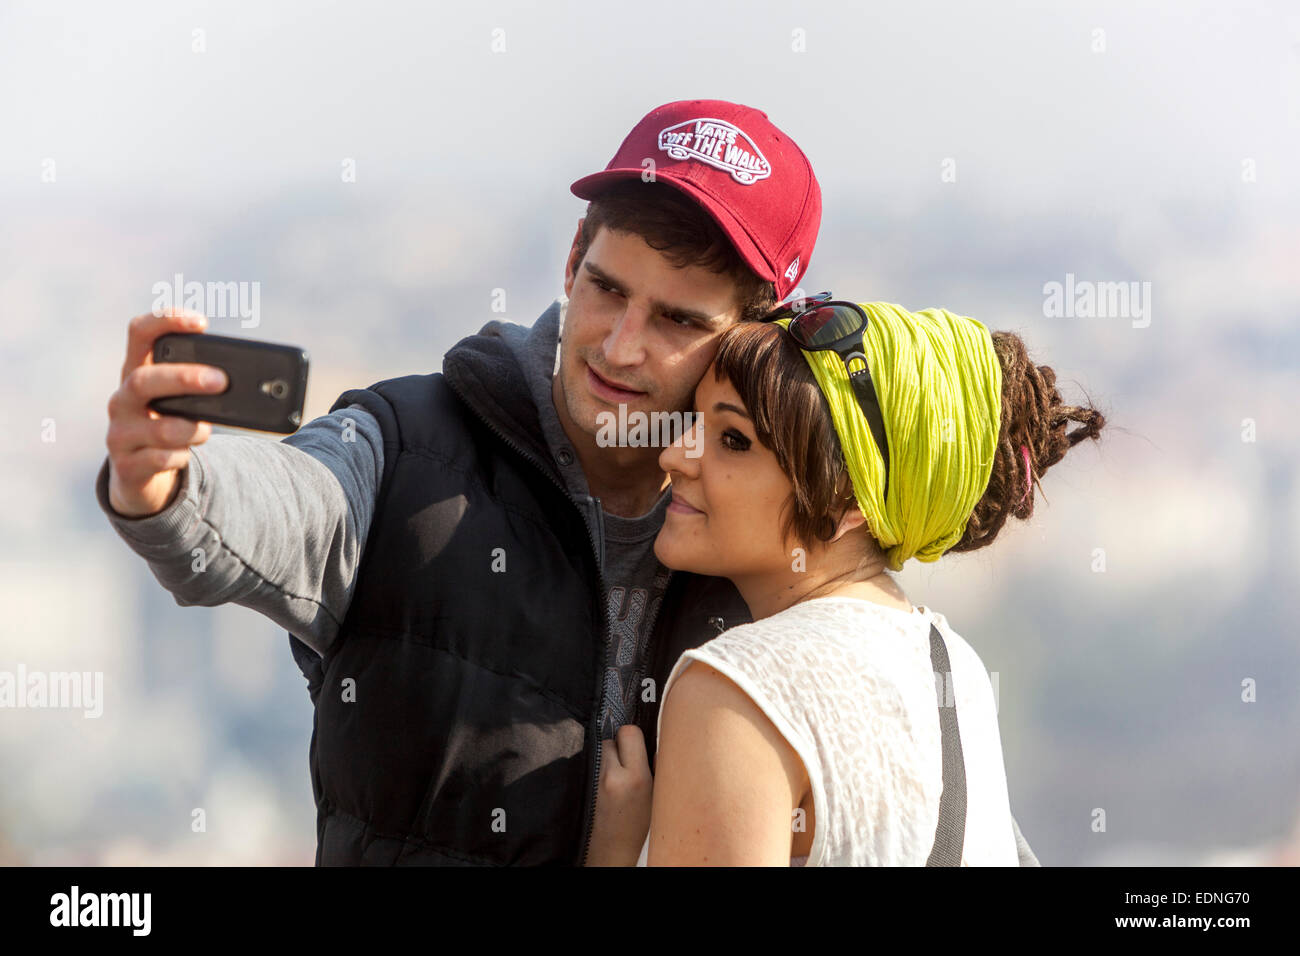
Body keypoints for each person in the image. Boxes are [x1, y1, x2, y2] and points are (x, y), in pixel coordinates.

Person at [96, 98, 1040, 865]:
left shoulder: (769, 562)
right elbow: (289, 507)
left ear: (752, 340)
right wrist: (169, 483)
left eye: (676, 320)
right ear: (570, 260)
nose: (620, 349)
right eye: (606, 288)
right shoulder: (410, 442)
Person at [582, 299, 1104, 865]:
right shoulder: (957, 670)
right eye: (694, 422)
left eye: (733, 440)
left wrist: (613, 850)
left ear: (847, 502)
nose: (675, 456)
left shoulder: (737, 691)